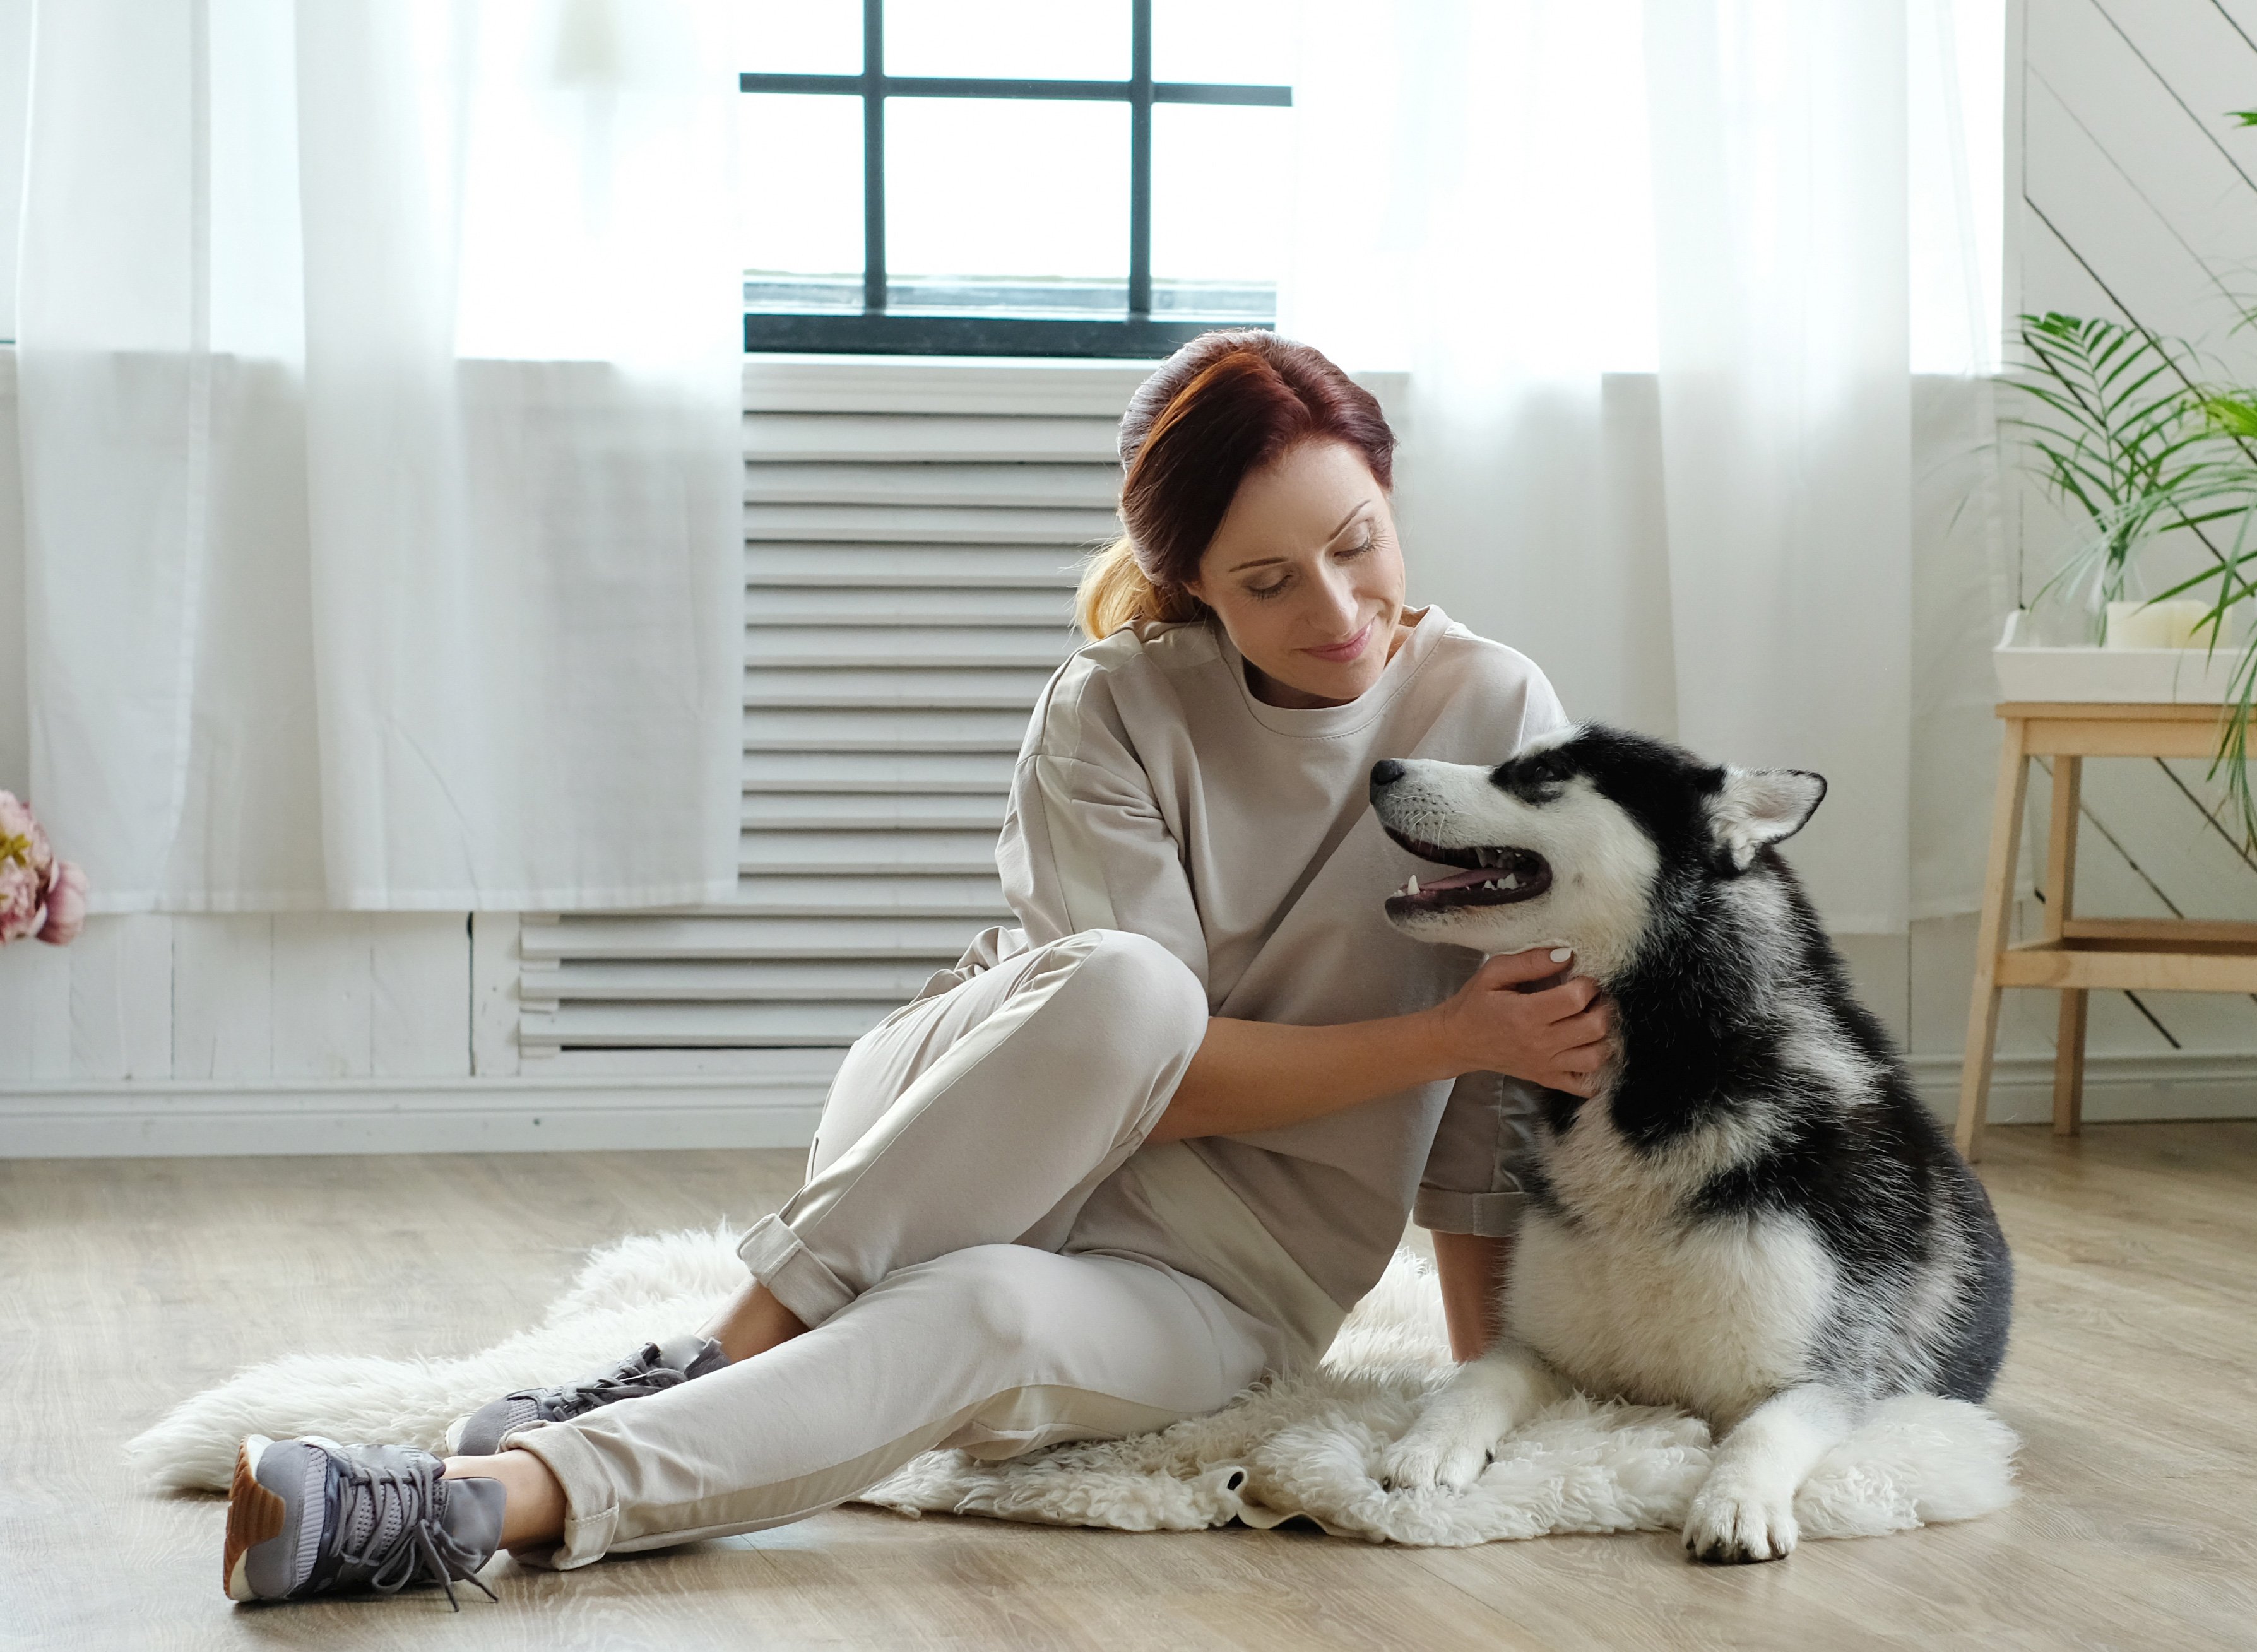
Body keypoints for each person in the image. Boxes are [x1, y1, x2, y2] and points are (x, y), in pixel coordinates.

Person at [218, 331, 1608, 1607]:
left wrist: (1488, 1376)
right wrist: (1446, 1043)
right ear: (1192, 584)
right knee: (1133, 986)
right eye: (1265, 579)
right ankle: (728, 1345)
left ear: (1386, 490)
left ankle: (476, 1504)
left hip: (1225, 1282)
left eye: (1357, 543)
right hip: (977, 1121)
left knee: (993, 1315)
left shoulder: (1497, 715)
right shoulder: (1114, 701)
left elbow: (1511, 1075)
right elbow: (1153, 1075)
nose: (1337, 607)